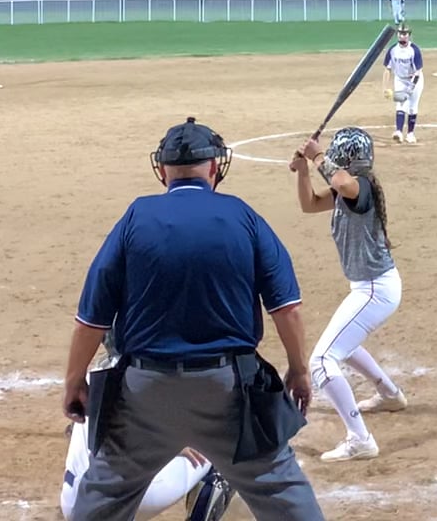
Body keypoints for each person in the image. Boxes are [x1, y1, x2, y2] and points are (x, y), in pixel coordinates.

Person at [63, 118, 324, 521]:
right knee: (281, 488)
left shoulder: (136, 216)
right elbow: (287, 308)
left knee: (101, 498)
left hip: (145, 393)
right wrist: (299, 369)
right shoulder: (243, 215)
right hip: (228, 390)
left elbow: (91, 321)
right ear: (215, 167)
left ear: (162, 170)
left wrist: (74, 380)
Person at [289, 128, 407, 462]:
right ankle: (390, 394)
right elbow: (310, 204)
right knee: (344, 343)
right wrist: (303, 172)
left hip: (375, 289)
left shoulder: (360, 187)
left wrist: (316, 155)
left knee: (321, 360)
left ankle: (360, 440)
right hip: (368, 287)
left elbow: (342, 183)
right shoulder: (347, 189)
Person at [57, 403, 233, 521]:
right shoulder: (148, 374)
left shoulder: (93, 376)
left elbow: (72, 431)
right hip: (132, 499)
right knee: (226, 442)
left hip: (75, 501)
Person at [379, 26, 424, 143]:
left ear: (409, 35)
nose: (402, 36)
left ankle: (410, 134)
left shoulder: (414, 50)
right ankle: (398, 132)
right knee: (400, 104)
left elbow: (418, 72)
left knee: (412, 106)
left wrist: (410, 88)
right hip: (399, 79)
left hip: (414, 80)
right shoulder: (393, 50)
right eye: (400, 33)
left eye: (404, 33)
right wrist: (385, 88)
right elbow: (387, 69)